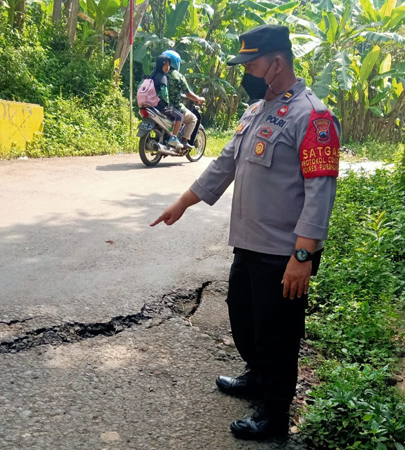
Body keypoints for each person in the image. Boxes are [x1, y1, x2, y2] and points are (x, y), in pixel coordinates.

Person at [150, 25, 340, 440]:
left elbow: (320, 192)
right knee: (244, 321)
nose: (247, 72)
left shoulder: (314, 116)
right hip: (248, 245)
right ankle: (257, 378)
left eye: (252, 63)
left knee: (278, 336)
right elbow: (225, 164)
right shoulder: (257, 111)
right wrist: (182, 202)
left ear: (276, 62)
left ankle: (274, 417)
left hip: (285, 253)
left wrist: (303, 257)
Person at [161, 50, 205, 148]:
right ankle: (184, 140)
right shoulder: (178, 76)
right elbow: (188, 93)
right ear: (175, 62)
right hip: (174, 106)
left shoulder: (159, 73)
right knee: (193, 118)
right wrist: (198, 99)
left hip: (158, 104)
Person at [146, 54, 184, 148]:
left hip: (150, 104)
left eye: (169, 65)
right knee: (179, 116)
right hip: (160, 105)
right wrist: (168, 103)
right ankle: (174, 138)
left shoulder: (152, 74)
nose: (168, 67)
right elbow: (164, 94)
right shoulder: (163, 77)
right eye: (166, 65)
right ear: (161, 65)